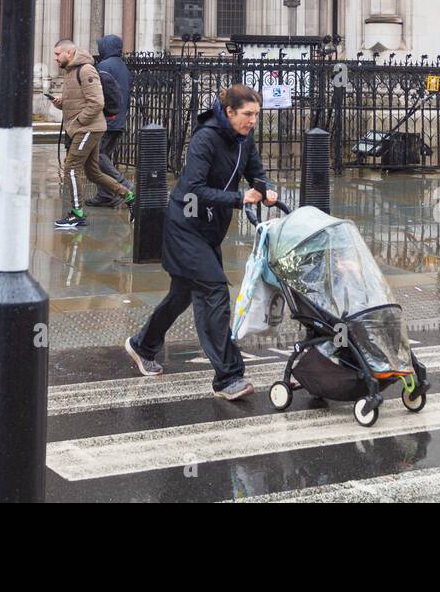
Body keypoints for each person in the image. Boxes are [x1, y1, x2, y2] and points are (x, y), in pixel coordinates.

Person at [124, 84, 277, 400]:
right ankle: (228, 377)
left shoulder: (244, 139)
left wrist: (267, 189)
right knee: (214, 290)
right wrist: (238, 198)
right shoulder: (205, 138)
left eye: (256, 115)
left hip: (209, 230)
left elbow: (256, 173)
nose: (252, 121)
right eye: (247, 114)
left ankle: (142, 345)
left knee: (182, 293)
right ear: (230, 111)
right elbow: (192, 189)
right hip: (185, 225)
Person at [51, 38, 131, 230]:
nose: (55, 58)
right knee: (93, 173)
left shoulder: (85, 70)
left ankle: (77, 213)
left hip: (87, 128)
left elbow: (96, 102)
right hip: (85, 127)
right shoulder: (71, 71)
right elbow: (79, 101)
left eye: (57, 54)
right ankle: (129, 195)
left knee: (71, 168)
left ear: (69, 53)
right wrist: (61, 102)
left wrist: (78, 122)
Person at [85, 32, 133, 209]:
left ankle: (124, 185)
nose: (99, 48)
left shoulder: (105, 65)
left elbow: (99, 92)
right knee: (104, 154)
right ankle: (105, 195)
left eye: (101, 45)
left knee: (96, 155)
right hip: (118, 119)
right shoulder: (122, 65)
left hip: (107, 119)